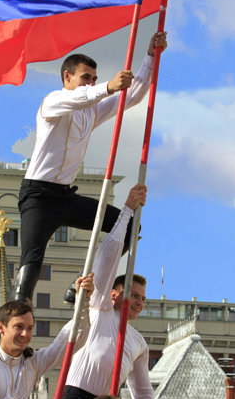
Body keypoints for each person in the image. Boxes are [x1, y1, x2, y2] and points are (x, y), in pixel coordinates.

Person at [11, 31, 167, 301]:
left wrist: (150, 56)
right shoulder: (53, 102)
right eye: (85, 78)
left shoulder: (91, 111)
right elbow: (83, 97)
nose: (90, 84)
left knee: (128, 226)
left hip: (64, 196)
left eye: (94, 79)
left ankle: (82, 282)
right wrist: (106, 86)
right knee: (32, 260)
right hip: (37, 196)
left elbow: (134, 94)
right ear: (67, 78)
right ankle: (17, 319)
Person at [55, 183, 167, 399]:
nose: (140, 302)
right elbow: (108, 255)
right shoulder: (99, 308)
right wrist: (127, 211)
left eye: (143, 298)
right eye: (134, 295)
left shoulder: (138, 343)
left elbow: (142, 393)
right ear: (115, 295)